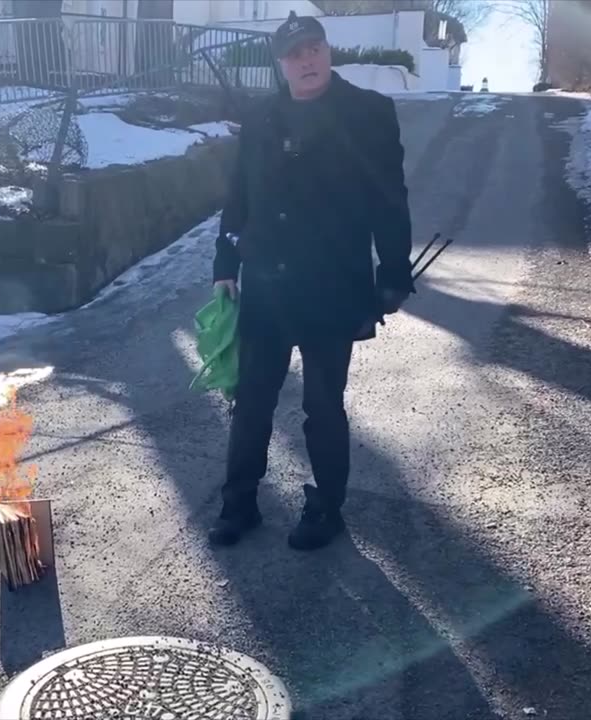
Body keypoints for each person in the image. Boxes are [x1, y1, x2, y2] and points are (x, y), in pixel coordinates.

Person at [209, 12, 413, 550]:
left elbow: (389, 200)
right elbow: (238, 200)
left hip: (333, 284)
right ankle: (240, 501)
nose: (307, 60)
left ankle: (327, 507)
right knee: (252, 399)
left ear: (327, 51)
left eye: (314, 48)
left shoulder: (369, 113)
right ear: (281, 63)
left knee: (324, 403)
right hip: (268, 286)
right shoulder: (260, 120)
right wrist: (224, 268)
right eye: (295, 53)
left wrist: (394, 272)